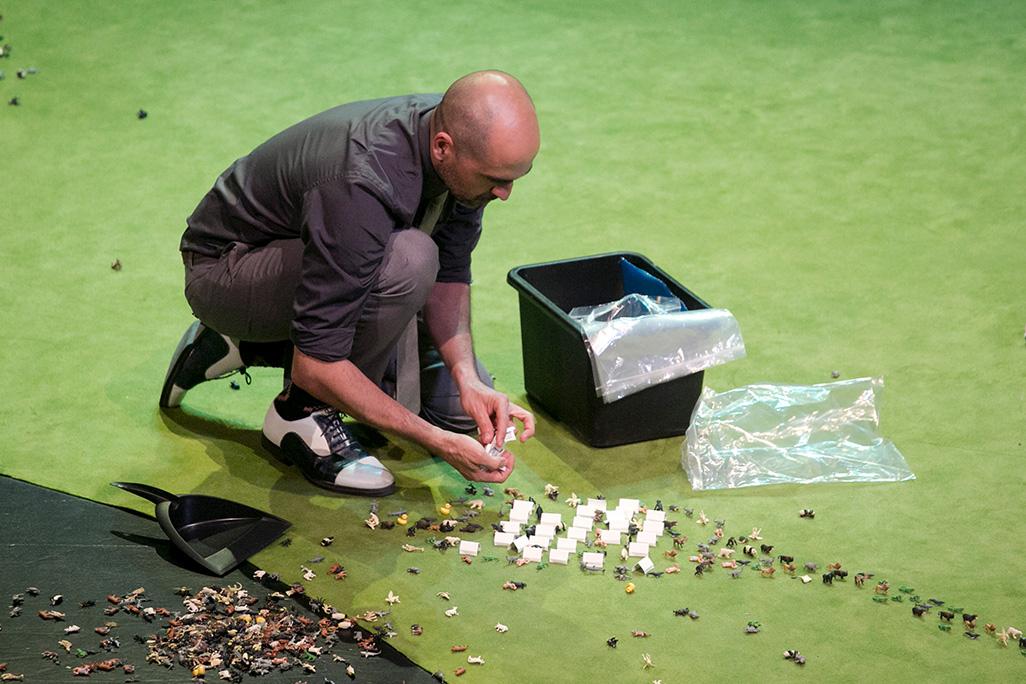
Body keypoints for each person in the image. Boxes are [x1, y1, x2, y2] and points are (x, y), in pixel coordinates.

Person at [160, 70, 539, 497]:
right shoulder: (363, 181)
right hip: (225, 269)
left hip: (323, 257)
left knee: (457, 411)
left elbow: (450, 274)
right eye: (497, 179)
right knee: (409, 260)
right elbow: (317, 363)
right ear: (442, 148)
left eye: (513, 177)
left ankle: (246, 346)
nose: (505, 193)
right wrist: (438, 444)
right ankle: (300, 414)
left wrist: (468, 377)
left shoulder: (464, 145)